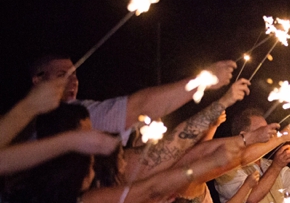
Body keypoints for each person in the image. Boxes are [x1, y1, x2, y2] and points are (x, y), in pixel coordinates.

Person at [29, 54, 236, 141]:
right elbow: (138, 107)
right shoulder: (21, 123)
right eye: (61, 76)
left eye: (74, 74)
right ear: (38, 80)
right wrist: (203, 80)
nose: (72, 81)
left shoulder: (79, 111)